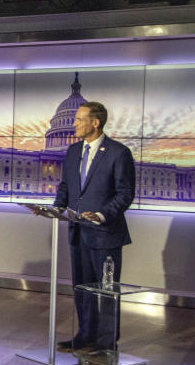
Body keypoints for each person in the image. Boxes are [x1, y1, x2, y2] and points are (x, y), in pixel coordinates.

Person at [52, 101, 135, 351]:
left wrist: (101, 215)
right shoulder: (73, 151)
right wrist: (56, 208)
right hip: (77, 232)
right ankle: (86, 335)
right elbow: (66, 187)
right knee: (82, 288)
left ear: (95, 123)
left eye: (79, 119)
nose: (74, 124)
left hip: (105, 233)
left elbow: (125, 193)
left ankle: (107, 342)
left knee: (107, 291)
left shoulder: (118, 153)